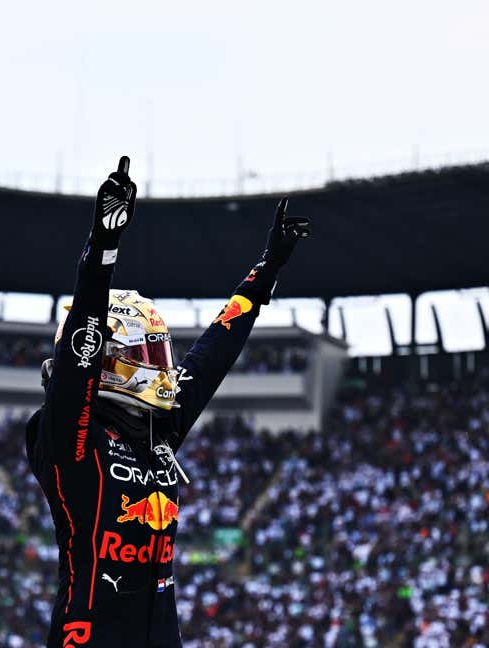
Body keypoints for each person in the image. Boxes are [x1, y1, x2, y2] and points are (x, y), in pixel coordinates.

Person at [25, 157, 311, 647]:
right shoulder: (70, 436)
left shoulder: (158, 430)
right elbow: (79, 350)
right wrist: (103, 249)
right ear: (108, 359)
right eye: (144, 352)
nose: (158, 365)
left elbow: (213, 351)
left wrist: (264, 273)